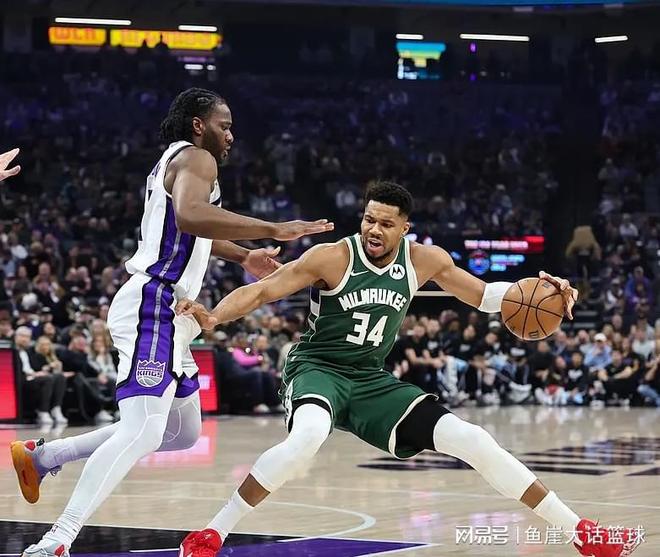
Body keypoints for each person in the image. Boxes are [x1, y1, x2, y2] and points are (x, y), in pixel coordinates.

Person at [176, 182, 638, 557]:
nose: (374, 230)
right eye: (368, 220)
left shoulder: (424, 261)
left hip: (370, 379)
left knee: (474, 439)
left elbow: (484, 296)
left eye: (385, 223)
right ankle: (211, 534)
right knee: (307, 437)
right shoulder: (331, 257)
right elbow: (262, 291)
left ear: (405, 228)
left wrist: (544, 289)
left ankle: (582, 533)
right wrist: (215, 316)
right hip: (318, 369)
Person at [13, 88, 333, 557]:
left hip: (172, 310)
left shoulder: (178, 161)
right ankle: (59, 538)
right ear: (199, 125)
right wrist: (272, 228)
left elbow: (191, 228)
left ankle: (45, 457)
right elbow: (190, 215)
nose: (231, 135)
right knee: (143, 430)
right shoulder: (198, 159)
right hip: (154, 303)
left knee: (181, 432)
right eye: (224, 125)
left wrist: (244, 255)